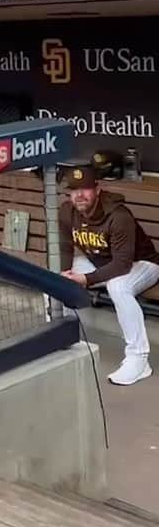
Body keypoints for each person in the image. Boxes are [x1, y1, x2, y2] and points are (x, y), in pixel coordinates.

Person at [61, 164, 159, 386]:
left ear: (97, 189)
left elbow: (122, 265)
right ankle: (63, 339)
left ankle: (139, 358)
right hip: (101, 262)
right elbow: (65, 247)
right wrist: (65, 272)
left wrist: (87, 279)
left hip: (143, 264)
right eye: (74, 190)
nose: (80, 195)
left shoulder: (118, 215)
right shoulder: (67, 211)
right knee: (56, 280)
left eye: (85, 189)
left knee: (118, 287)